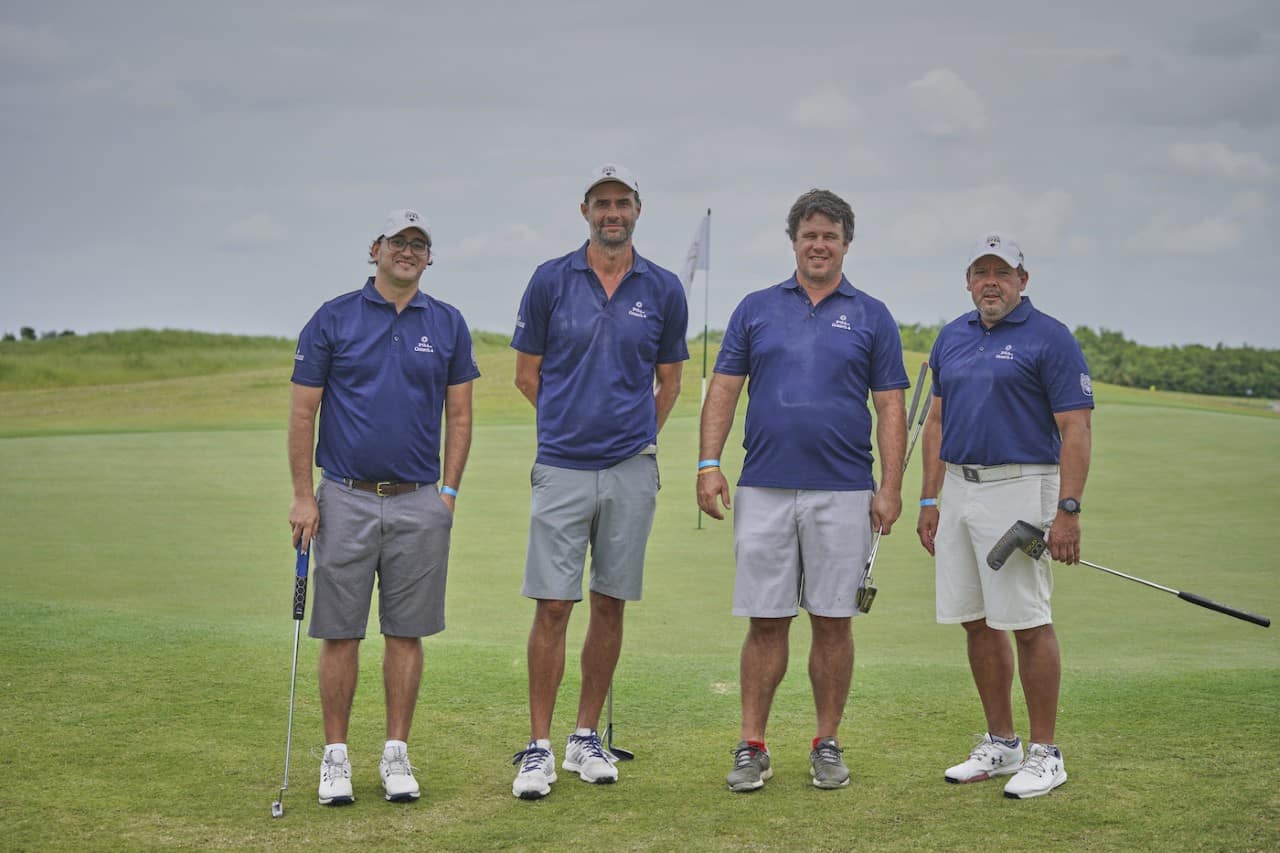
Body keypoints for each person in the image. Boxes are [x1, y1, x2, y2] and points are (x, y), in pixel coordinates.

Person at [697, 189, 908, 793]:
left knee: (834, 621)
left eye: (831, 236)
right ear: (794, 241)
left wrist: (890, 486)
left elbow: (890, 407)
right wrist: (709, 462)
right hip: (763, 486)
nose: (820, 245)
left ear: (846, 244)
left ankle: (826, 742)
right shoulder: (757, 308)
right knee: (766, 621)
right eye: (810, 235)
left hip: (844, 491)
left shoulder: (871, 315)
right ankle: (752, 744)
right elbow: (724, 389)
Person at [508, 163, 689, 799]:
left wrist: (638, 434)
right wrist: (571, 425)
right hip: (562, 464)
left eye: (623, 202)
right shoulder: (550, 280)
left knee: (609, 600)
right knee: (554, 603)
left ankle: (585, 737)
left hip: (630, 467)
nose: (612, 213)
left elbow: (670, 380)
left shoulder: (662, 287)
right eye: (601, 203)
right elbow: (526, 375)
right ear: (585, 210)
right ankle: (537, 748)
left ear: (638, 208)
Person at [288, 208, 479, 806]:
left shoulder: (446, 323)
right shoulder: (333, 317)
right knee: (340, 633)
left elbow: (461, 415)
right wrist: (301, 495)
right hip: (343, 496)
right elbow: (303, 412)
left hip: (419, 500)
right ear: (375, 248)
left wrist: (447, 493)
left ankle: (396, 754)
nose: (408, 251)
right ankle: (335, 758)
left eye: (419, 244)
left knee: (406, 632)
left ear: (429, 257)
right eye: (399, 241)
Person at [915, 232, 1093, 799]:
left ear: (1023, 279)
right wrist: (928, 499)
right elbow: (936, 422)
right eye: (980, 271)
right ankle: (1001, 742)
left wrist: (1067, 511)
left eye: (1002, 272)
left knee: (1026, 620)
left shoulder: (1050, 337)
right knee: (975, 618)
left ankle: (1045, 754)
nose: (991, 282)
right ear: (968, 280)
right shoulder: (953, 336)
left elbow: (1076, 428)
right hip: (960, 491)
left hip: (1024, 487)